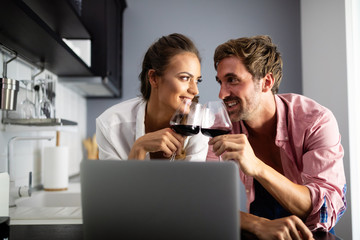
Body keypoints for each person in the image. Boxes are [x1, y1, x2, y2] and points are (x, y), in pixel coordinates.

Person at [207, 35, 346, 239]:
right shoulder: (221, 125)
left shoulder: (315, 121)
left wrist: (257, 166)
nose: (222, 94)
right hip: (260, 225)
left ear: (266, 82)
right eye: (220, 81)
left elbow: (324, 209)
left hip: (311, 231)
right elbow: (206, 203)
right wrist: (258, 224)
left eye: (232, 80)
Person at [96, 33, 208, 161]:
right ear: (154, 78)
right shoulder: (110, 124)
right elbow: (114, 182)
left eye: (197, 80)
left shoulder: (200, 122)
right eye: (184, 78)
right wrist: (139, 148)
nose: (195, 90)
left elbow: (194, 180)